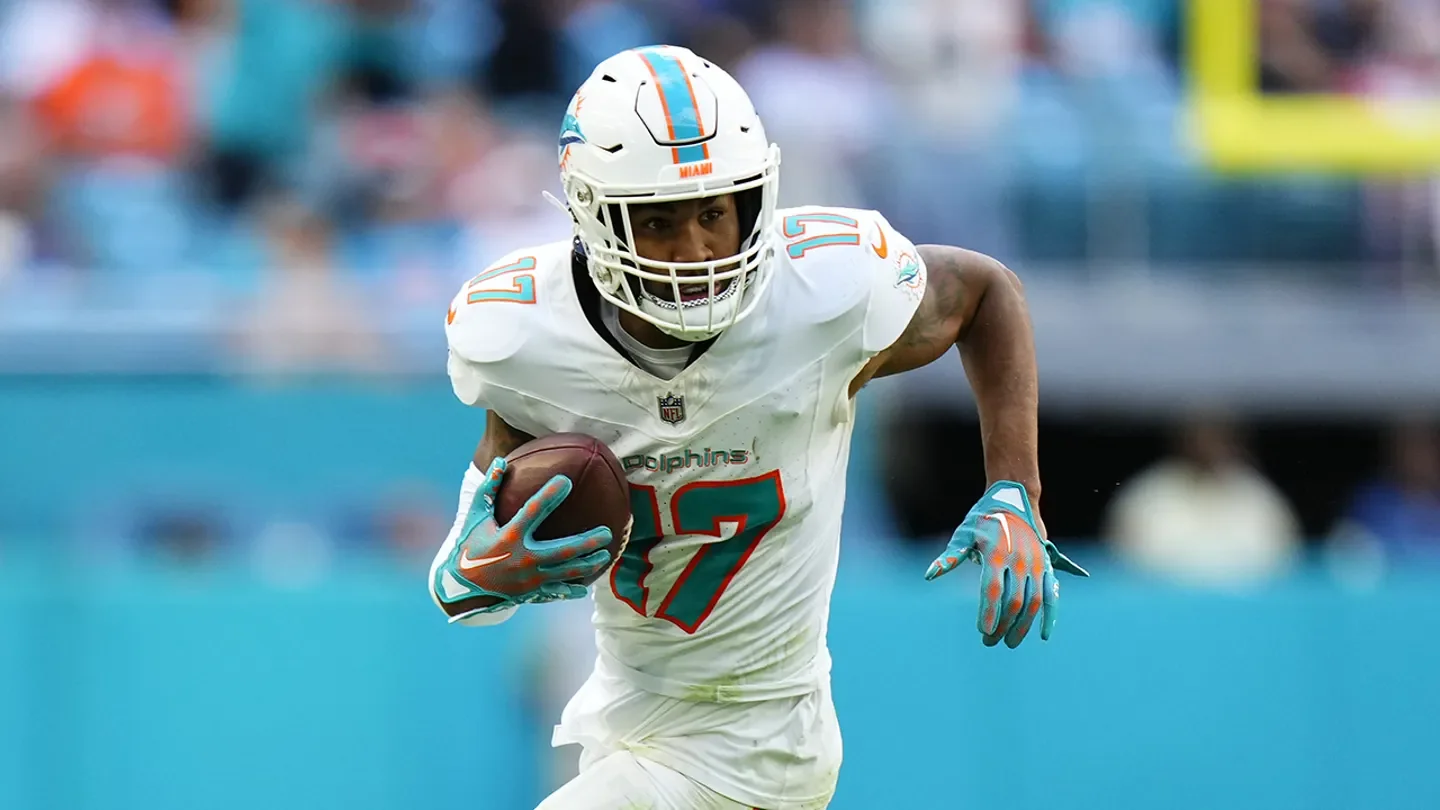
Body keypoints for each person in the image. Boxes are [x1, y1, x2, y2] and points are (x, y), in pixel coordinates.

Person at [428, 45, 1087, 810]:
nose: (698, 250)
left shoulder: (821, 295)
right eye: (661, 221)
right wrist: (471, 572)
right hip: (632, 723)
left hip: (761, 737)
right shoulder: (524, 340)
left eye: (714, 212)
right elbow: (472, 551)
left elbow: (985, 291)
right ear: (593, 217)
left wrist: (1014, 487)